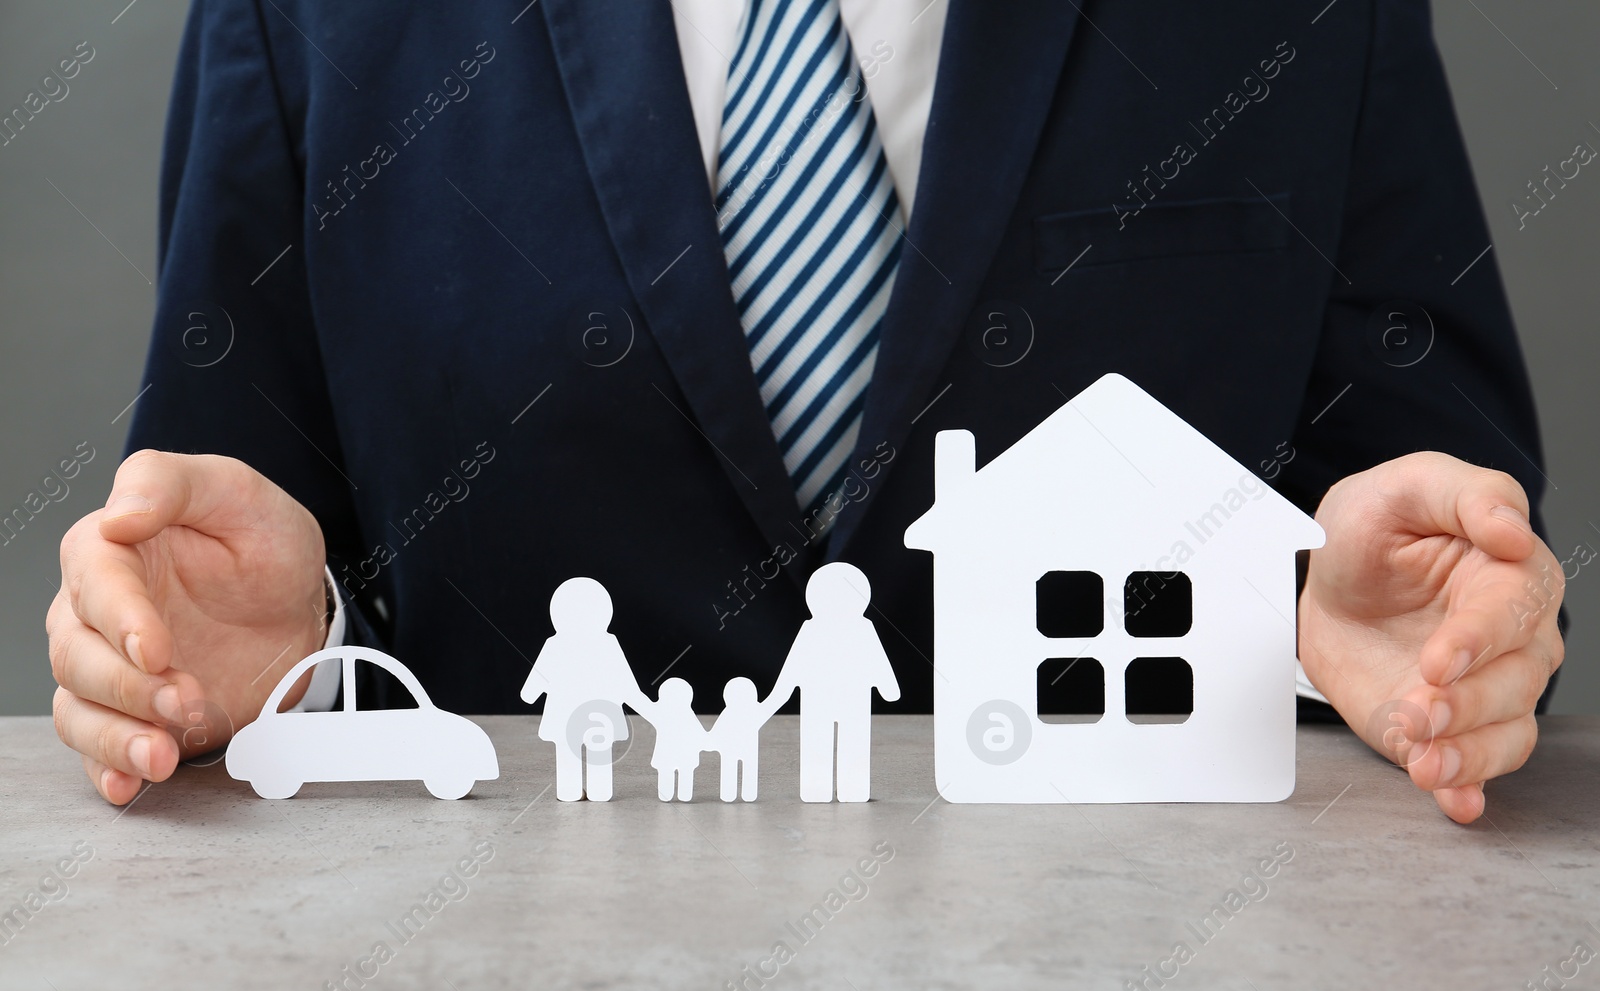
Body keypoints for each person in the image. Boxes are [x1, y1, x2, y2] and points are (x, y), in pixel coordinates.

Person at [46, 0, 1563, 824]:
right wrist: (257, 662)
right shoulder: (304, 19)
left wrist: (1410, 647)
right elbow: (218, 526)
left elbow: (1425, 522)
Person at [765, 563, 900, 802]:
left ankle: (850, 788)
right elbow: (793, 666)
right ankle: (820, 788)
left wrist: (778, 695)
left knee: (850, 744)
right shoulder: (817, 628)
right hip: (828, 700)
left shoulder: (860, 628)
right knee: (820, 744)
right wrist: (888, 689)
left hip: (844, 700)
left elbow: (876, 658)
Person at [519, 578, 648, 802]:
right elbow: (627, 685)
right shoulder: (607, 643)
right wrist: (646, 706)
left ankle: (571, 791)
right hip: (601, 715)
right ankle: (598, 792)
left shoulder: (555, 644)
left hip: (565, 713)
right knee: (598, 752)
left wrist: (531, 693)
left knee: (569, 751)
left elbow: (529, 692)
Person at [707, 676, 778, 802]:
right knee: (736, 767)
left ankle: (739, 794)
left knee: (740, 768)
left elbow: (717, 730)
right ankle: (737, 794)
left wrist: (709, 740)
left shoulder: (735, 712)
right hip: (739, 749)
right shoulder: (738, 712)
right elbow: (718, 730)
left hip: (740, 749)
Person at [642, 678, 708, 802]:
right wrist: (707, 743)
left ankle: (677, 795)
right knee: (678, 772)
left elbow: (644, 706)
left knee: (679, 772)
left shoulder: (665, 714)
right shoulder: (683, 715)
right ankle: (676, 794)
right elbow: (699, 734)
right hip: (681, 756)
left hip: (674, 755)